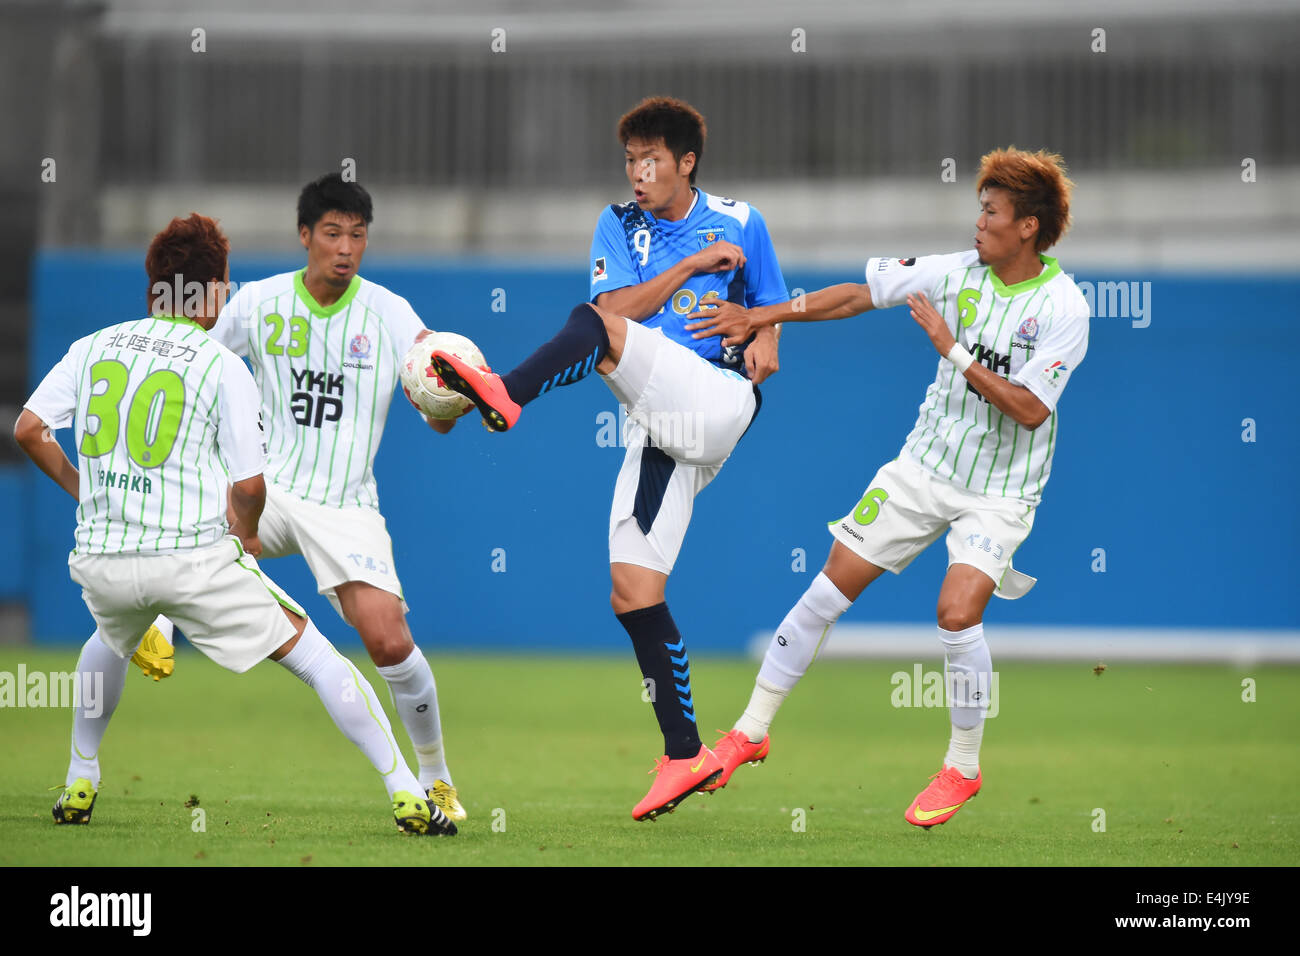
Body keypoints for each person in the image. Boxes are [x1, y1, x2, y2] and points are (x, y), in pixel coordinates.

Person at [686, 147, 1089, 827]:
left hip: (999, 490)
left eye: (991, 212)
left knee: (957, 614)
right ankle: (750, 731)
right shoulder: (956, 273)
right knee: (825, 590)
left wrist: (952, 350)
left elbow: (1028, 408)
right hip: (922, 468)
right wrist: (766, 315)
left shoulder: (1064, 308)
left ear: (1028, 226)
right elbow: (855, 295)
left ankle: (962, 767)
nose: (979, 223)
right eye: (979, 209)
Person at [15, 213, 455, 835]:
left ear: (154, 285)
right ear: (215, 292)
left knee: (108, 636)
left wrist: (84, 491)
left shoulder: (94, 346)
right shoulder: (221, 365)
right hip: (193, 564)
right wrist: (243, 532)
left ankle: (81, 776)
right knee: (322, 661)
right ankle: (410, 792)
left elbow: (29, 430)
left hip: (102, 561)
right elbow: (249, 487)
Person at [430, 96, 789, 820]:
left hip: (716, 401)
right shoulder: (619, 224)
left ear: (686, 162)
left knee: (592, 326)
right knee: (632, 590)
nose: (637, 173)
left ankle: (507, 392)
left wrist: (763, 340)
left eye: (651, 159)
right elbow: (620, 313)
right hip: (658, 419)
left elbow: (770, 323)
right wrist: (691, 265)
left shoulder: (744, 220)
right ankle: (685, 754)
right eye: (629, 159)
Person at [131, 175, 468, 823]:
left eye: (358, 235)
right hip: (268, 486)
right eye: (333, 233)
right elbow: (190, 359)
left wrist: (451, 399)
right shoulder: (257, 304)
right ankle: (158, 621)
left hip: (344, 504)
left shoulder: (391, 314)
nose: (346, 248)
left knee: (389, 641)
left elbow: (435, 409)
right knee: (197, 505)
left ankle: (437, 779)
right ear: (305, 235)